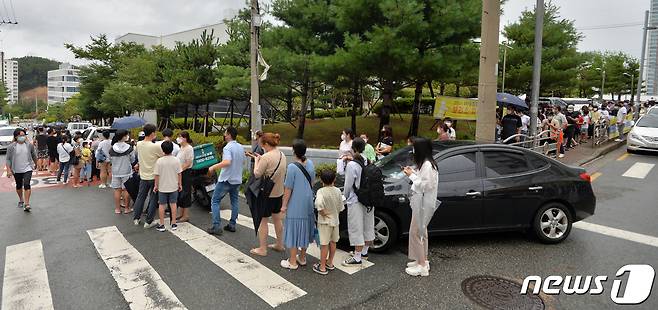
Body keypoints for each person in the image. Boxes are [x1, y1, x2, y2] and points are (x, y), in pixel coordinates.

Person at [402, 137, 438, 277]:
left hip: (423, 203)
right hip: (422, 203)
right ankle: (422, 259)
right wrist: (414, 173)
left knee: (416, 232)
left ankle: (422, 265)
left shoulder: (428, 165)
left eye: (414, 148)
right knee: (421, 232)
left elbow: (425, 185)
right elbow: (424, 181)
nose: (413, 150)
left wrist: (411, 176)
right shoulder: (427, 164)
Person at [280, 139, 316, 270]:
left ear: (294, 151)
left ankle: (292, 261)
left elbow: (288, 189)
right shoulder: (310, 163)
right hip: (308, 201)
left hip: (296, 202)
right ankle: (302, 257)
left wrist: (284, 205)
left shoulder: (292, 167)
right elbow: (312, 183)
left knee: (294, 230)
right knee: (305, 229)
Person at [250, 132, 287, 256]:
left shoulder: (266, 157)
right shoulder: (282, 154)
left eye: (262, 145)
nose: (262, 147)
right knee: (277, 219)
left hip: (267, 194)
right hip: (279, 193)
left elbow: (257, 174)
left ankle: (262, 249)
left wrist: (256, 160)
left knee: (263, 221)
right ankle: (280, 244)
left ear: (266, 144)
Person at [342, 137, 375, 266]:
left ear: (353, 148)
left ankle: (357, 257)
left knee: (356, 227)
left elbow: (348, 185)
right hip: (369, 199)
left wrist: (344, 197)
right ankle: (364, 252)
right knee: (368, 224)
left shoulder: (352, 165)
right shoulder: (369, 160)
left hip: (356, 199)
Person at [207, 126, 246, 235]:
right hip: (237, 179)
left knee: (215, 201)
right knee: (234, 202)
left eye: (225, 133)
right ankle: (232, 224)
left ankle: (216, 226)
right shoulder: (240, 147)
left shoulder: (228, 148)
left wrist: (213, 167)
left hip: (226, 179)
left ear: (228, 134)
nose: (224, 135)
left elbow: (227, 162)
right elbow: (243, 162)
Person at [132, 124, 164, 229]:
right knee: (153, 199)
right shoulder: (155, 146)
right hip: (154, 177)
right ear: (153, 133)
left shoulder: (139, 144)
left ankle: (136, 218)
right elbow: (163, 156)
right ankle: (149, 221)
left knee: (140, 197)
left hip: (143, 175)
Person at [313, 169, 344, 275]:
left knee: (324, 244)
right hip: (335, 221)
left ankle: (322, 266)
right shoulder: (338, 191)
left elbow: (318, 204)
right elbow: (341, 207)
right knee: (333, 242)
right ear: (334, 179)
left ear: (321, 180)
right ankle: (330, 262)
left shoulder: (321, 191)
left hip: (325, 222)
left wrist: (322, 213)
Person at [5, 128, 37, 212]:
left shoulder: (29, 145)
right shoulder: (11, 147)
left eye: (24, 135)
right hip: (16, 169)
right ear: (16, 137)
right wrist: (8, 170)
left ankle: (27, 204)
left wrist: (36, 163)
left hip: (28, 168)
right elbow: (8, 159)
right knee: (19, 185)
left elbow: (33, 155)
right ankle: (21, 199)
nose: (22, 137)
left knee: (27, 184)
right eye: (20, 135)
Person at [154, 141, 182, 232]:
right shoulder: (176, 160)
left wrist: (156, 186)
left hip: (162, 187)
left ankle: (162, 224)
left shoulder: (159, 161)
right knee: (173, 204)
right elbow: (179, 174)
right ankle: (173, 223)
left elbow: (157, 175)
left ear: (162, 150)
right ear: (172, 149)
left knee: (162, 205)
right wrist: (180, 184)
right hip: (173, 186)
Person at [110, 130, 136, 214]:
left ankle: (117, 209)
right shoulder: (129, 148)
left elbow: (110, 159)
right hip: (126, 171)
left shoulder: (112, 148)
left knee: (117, 190)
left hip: (115, 172)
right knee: (126, 190)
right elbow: (133, 159)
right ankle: (126, 208)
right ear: (124, 137)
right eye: (126, 135)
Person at [176, 131, 194, 222]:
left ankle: (186, 215)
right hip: (180, 173)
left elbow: (188, 163)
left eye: (180, 137)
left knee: (186, 193)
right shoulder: (181, 147)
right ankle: (181, 213)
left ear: (185, 138)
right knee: (181, 193)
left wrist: (180, 170)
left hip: (186, 173)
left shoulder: (189, 148)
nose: (178, 138)